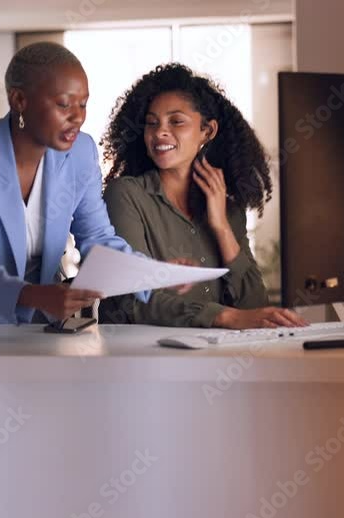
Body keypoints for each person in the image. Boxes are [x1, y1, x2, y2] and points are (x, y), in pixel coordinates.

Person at [0, 42, 180, 325]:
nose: (78, 117)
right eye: (63, 104)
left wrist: (149, 272)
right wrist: (34, 296)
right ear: (19, 101)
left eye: (83, 104)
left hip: (31, 319)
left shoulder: (81, 153)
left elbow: (97, 237)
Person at [100, 63, 308, 329]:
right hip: (141, 361)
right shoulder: (126, 196)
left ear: (207, 131)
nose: (160, 132)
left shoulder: (226, 208)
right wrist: (222, 316)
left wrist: (221, 227)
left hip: (210, 357)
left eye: (176, 121)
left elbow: (253, 305)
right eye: (152, 123)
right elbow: (129, 298)